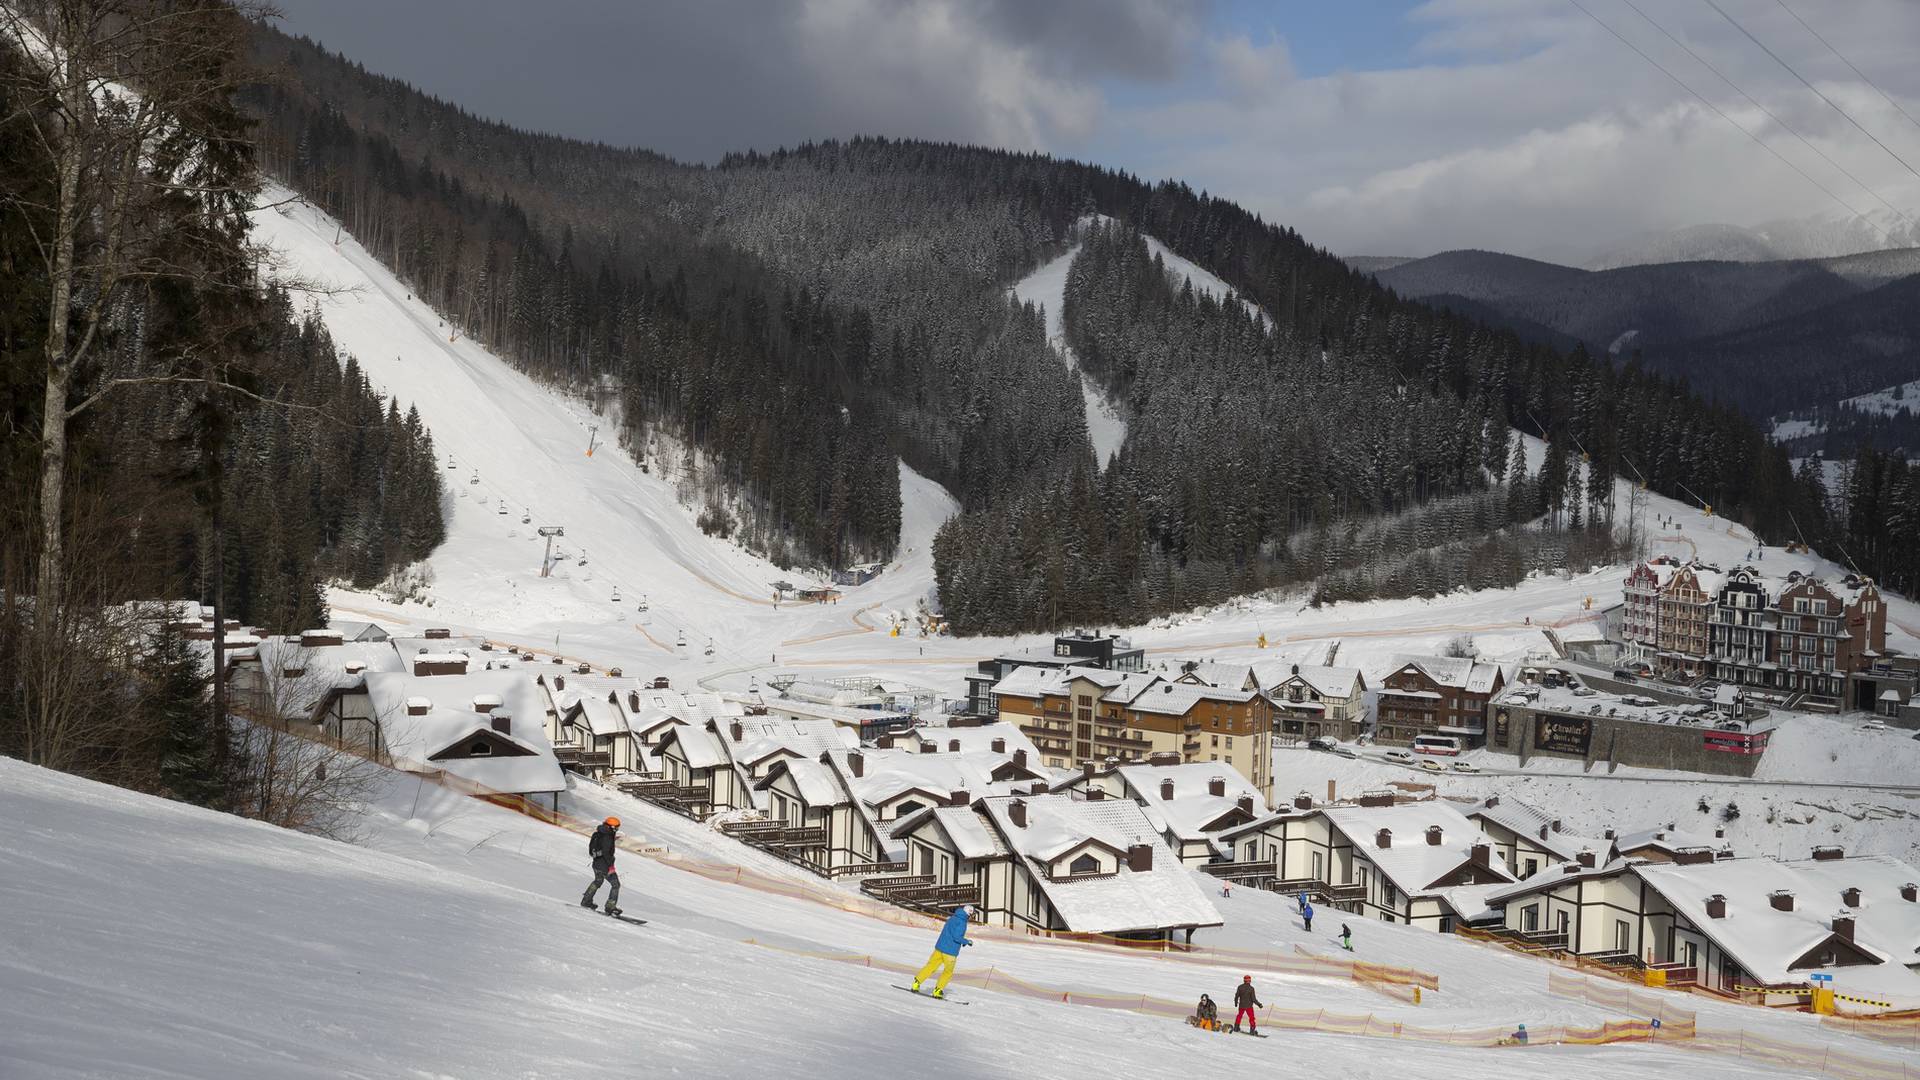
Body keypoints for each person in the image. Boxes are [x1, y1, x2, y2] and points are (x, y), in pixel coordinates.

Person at [911, 904, 975, 998]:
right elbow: (956, 937)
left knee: (931, 966)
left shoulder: (953, 917)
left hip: (940, 947)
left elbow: (950, 932)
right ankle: (938, 990)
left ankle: (916, 983)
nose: (972, 916)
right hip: (950, 951)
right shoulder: (962, 922)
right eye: (972, 914)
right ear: (969, 913)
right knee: (948, 972)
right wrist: (967, 941)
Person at [580, 816, 623, 915]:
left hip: (596, 864)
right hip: (605, 865)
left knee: (598, 881)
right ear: (611, 827)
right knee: (616, 885)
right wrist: (611, 866)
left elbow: (591, 850)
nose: (617, 830)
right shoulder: (608, 836)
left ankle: (586, 901)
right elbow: (606, 853)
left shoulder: (597, 834)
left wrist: (597, 857)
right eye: (616, 828)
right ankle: (610, 907)